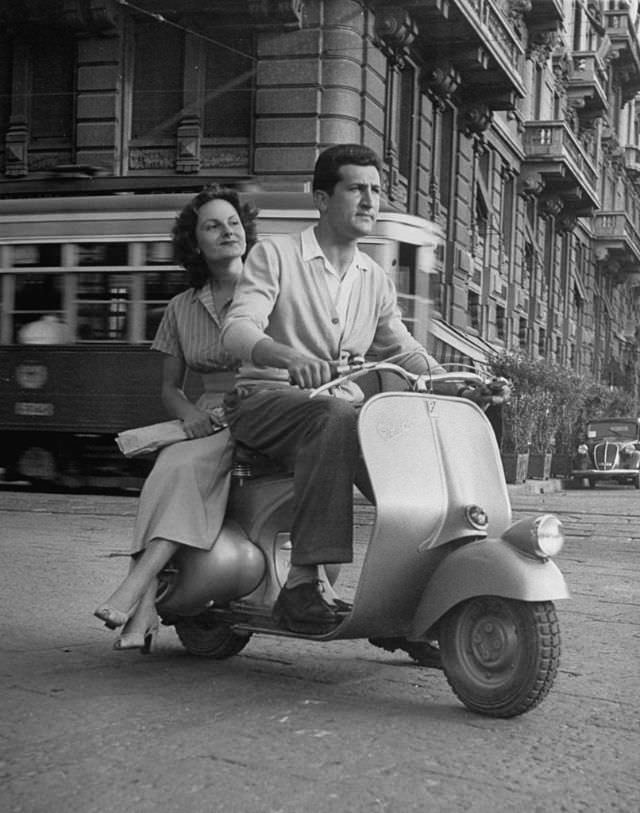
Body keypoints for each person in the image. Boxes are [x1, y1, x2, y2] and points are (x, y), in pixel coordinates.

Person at [221, 143, 509, 635]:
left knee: (399, 420)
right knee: (336, 416)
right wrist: (287, 357)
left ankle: (428, 570)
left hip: (332, 406)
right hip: (264, 402)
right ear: (321, 199)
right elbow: (237, 329)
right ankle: (302, 584)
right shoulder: (276, 255)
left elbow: (401, 347)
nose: (370, 200)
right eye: (356, 188)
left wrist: (459, 382)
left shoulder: (372, 276)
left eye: (376, 190)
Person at [94, 185, 257, 651]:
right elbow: (170, 387)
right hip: (206, 419)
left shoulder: (268, 291)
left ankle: (136, 594)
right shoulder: (181, 307)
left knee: (179, 465)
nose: (228, 231)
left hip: (258, 409)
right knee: (168, 466)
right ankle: (143, 605)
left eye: (234, 223)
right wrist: (190, 418)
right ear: (195, 242)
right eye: (213, 225)